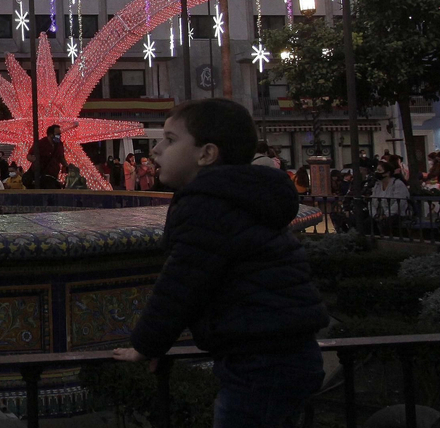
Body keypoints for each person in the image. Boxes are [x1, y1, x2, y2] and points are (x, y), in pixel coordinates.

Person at [112, 99, 327, 427]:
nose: (156, 149)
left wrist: (145, 344)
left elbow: (181, 284)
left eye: (170, 140)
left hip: (261, 360)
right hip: (282, 350)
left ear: (206, 154)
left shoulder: (208, 206)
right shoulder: (238, 199)